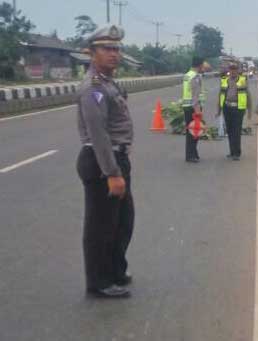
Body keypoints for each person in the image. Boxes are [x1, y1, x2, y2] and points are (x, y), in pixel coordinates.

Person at [76, 25, 134, 299]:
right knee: (101, 225)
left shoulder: (109, 82)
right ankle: (99, 281)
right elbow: (98, 133)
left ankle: (114, 270)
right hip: (102, 161)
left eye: (116, 48)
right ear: (92, 53)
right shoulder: (94, 87)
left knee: (122, 221)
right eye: (106, 49)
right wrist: (112, 172)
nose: (114, 54)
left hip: (116, 157)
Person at [220, 64, 249, 161]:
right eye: (231, 69)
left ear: (238, 70)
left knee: (236, 131)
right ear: (229, 70)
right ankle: (232, 151)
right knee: (229, 130)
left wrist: (249, 110)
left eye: (235, 69)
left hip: (238, 108)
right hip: (227, 107)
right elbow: (220, 94)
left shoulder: (243, 80)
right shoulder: (224, 80)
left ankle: (237, 153)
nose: (233, 71)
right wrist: (218, 109)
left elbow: (248, 95)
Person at [182, 56, 206, 163]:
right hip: (193, 107)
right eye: (203, 65)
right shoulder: (195, 77)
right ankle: (191, 155)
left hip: (187, 106)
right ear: (200, 65)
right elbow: (195, 95)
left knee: (190, 131)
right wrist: (197, 110)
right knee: (194, 131)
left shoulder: (187, 75)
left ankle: (192, 154)